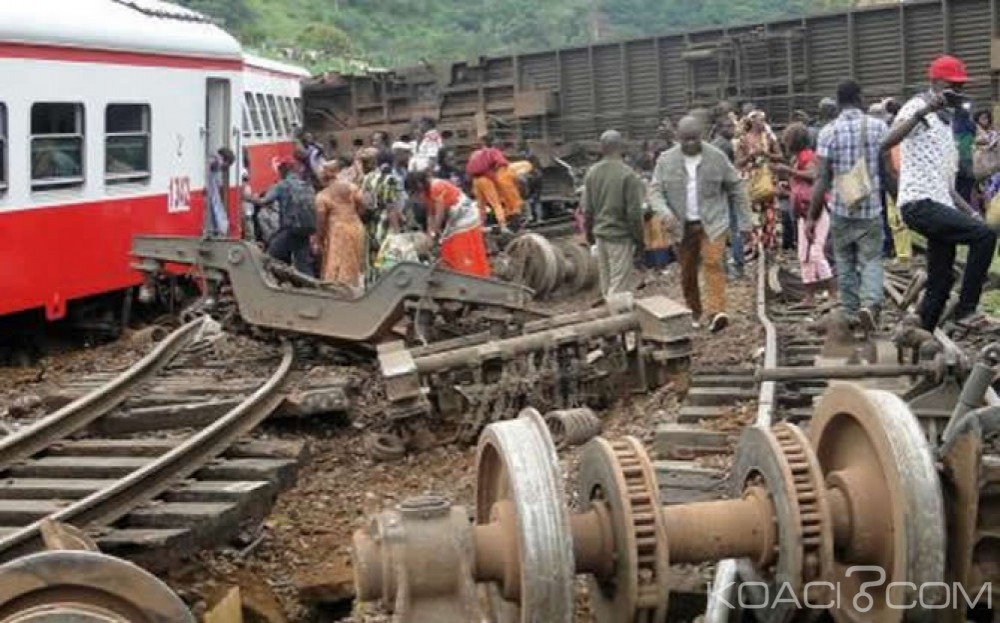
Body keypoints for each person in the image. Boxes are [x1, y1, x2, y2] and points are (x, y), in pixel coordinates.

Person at [881, 55, 997, 331]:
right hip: (919, 202)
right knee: (984, 237)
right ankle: (967, 309)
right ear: (936, 83)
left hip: (937, 201)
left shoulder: (947, 126)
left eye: (960, 87)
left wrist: (970, 212)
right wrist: (925, 111)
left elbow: (945, 184)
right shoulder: (918, 106)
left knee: (940, 281)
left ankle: (923, 333)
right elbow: (886, 142)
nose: (957, 92)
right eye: (952, 86)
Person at [648, 116, 753, 332]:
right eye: (685, 139)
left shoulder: (717, 157)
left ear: (702, 136)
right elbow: (655, 190)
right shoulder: (666, 160)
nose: (690, 143)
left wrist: (745, 222)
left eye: (694, 139)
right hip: (680, 225)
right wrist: (665, 213)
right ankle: (694, 311)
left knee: (713, 263)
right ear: (678, 138)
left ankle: (717, 312)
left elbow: (736, 187)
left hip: (713, 222)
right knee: (687, 272)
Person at [809, 79, 889, 332]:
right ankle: (872, 303)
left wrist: (812, 216)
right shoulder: (878, 127)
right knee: (872, 259)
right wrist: (899, 200)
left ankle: (852, 311)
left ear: (838, 100)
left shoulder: (828, 132)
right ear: (859, 97)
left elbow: (822, 178)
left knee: (844, 260)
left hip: (842, 208)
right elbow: (888, 172)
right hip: (872, 207)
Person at [581, 130, 647, 297]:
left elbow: (587, 210)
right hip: (620, 237)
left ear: (602, 148)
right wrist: (640, 241)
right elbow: (634, 214)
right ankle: (615, 320)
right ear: (621, 146)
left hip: (600, 236)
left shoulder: (592, 173)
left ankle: (608, 317)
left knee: (607, 284)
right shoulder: (628, 174)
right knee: (619, 288)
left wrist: (589, 235)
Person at [775, 123, 832, 306]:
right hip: (802, 211)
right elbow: (801, 184)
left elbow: (814, 175)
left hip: (816, 210)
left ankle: (833, 293)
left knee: (816, 253)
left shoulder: (808, 155)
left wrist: (788, 172)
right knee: (804, 255)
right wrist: (786, 188)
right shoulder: (796, 158)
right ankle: (810, 296)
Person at [407, 166, 491, 277]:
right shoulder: (426, 193)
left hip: (466, 216)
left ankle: (467, 273)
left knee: (454, 243)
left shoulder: (436, 187)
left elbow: (439, 214)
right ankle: (458, 271)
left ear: (419, 186)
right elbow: (430, 215)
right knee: (447, 243)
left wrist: (434, 235)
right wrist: (429, 236)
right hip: (456, 217)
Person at [315, 160, 366, 293]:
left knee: (337, 263)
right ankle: (357, 288)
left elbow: (320, 220)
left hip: (337, 231)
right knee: (355, 261)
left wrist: (318, 239)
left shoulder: (322, 196)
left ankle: (340, 292)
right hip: (356, 226)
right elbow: (362, 204)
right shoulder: (351, 187)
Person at [259, 161, 317, 276]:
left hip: (290, 228)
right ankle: (311, 287)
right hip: (305, 228)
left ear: (282, 171)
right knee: (303, 262)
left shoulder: (282, 185)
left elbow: (264, 201)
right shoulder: (306, 185)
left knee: (269, 256)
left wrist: (245, 197)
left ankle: (267, 283)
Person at [736, 110, 782, 253]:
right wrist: (750, 156)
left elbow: (780, 156)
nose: (763, 122)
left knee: (770, 212)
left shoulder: (769, 137)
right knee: (754, 213)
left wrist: (766, 154)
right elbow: (738, 163)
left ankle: (770, 244)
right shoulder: (743, 140)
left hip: (768, 178)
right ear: (753, 122)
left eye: (764, 120)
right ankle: (757, 245)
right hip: (753, 181)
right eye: (760, 120)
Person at [711, 115, 746, 279]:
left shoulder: (713, 144)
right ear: (719, 129)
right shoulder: (725, 146)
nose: (732, 130)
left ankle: (723, 267)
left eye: (733, 126)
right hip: (725, 194)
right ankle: (738, 265)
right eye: (728, 127)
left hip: (716, 194)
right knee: (735, 228)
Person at [467, 134, 523, 233]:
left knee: (481, 205)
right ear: (492, 142)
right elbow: (502, 163)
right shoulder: (493, 151)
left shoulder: (475, 153)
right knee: (496, 204)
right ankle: (503, 226)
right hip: (486, 180)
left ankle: (480, 226)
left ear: (482, 143)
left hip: (476, 181)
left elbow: (469, 168)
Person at [206, 147, 235, 237]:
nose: (225, 169)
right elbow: (216, 162)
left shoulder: (214, 168)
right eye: (227, 165)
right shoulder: (216, 162)